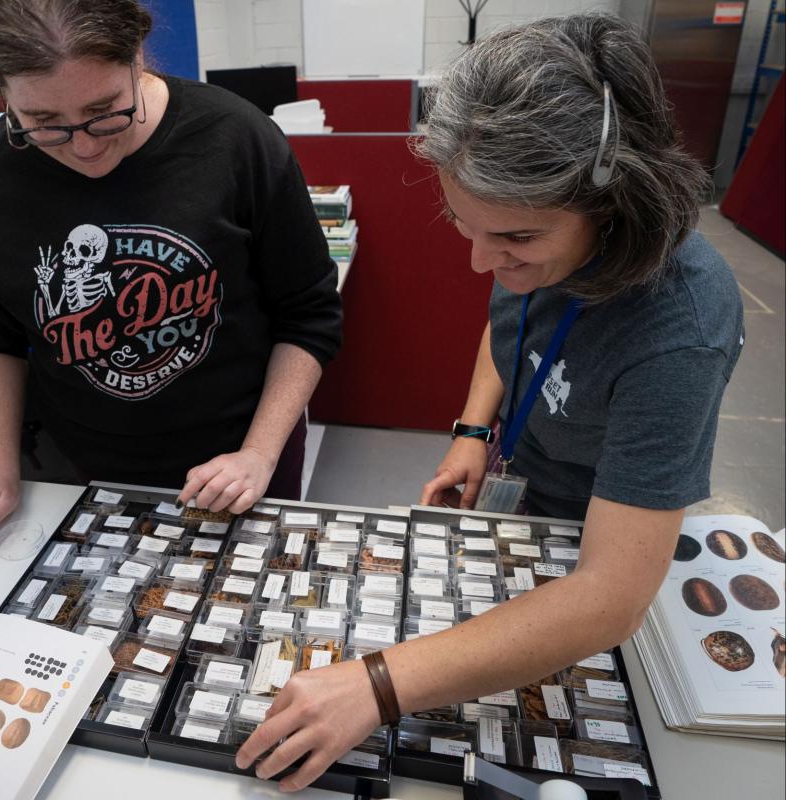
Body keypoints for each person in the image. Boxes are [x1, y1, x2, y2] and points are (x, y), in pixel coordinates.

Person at [236, 14, 742, 791]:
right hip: (529, 481)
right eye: (463, 226)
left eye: (514, 237)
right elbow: (514, 325)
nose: (481, 261)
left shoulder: (682, 326)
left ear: (613, 203)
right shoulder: (535, 249)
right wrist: (474, 429)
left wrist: (378, 685)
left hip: (598, 527)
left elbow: (609, 596)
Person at [0, 0, 341, 559]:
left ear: (138, 58)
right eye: (45, 124)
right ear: (1, 92)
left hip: (245, 446)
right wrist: (0, 471)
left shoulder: (236, 138)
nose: (85, 147)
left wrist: (259, 453)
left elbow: (309, 315)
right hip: (88, 460)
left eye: (105, 111)